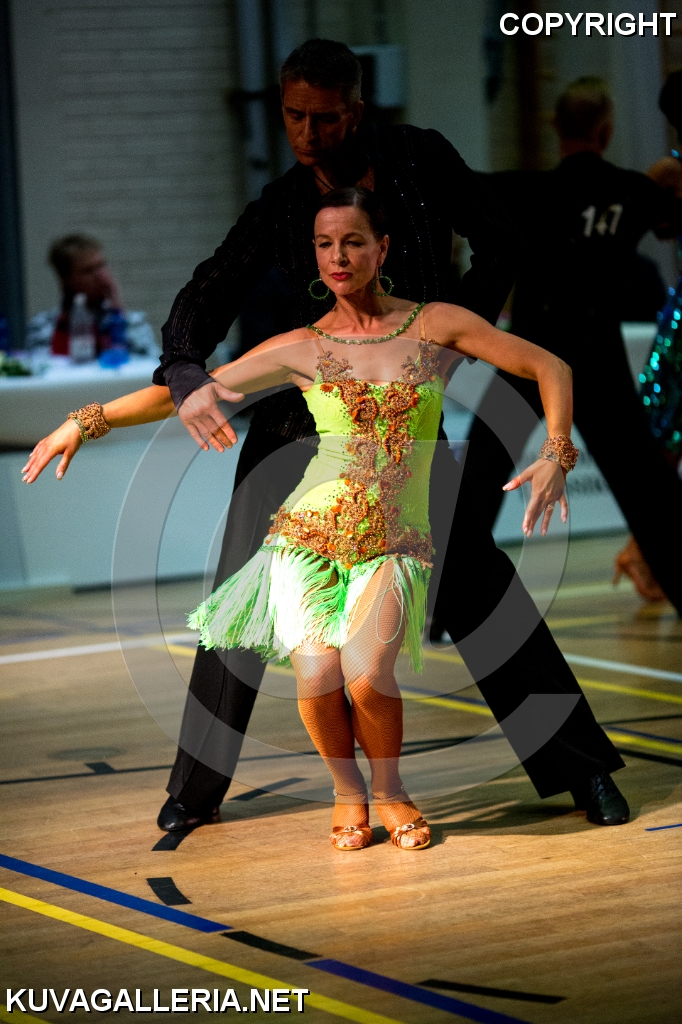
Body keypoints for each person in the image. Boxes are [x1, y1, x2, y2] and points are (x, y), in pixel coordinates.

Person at [25, 41, 630, 832]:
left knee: (479, 583)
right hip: (296, 422)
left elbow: (503, 240)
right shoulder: (280, 208)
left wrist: (453, 339)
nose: (308, 134)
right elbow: (203, 299)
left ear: (357, 110)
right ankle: (194, 792)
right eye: (293, 117)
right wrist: (170, 381)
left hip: (400, 424)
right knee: (242, 599)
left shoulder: (419, 160)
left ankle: (581, 768)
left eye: (325, 118)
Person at [446, 77, 682, 627]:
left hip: (528, 357)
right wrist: (660, 181)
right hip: (599, 364)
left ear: (555, 128)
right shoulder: (631, 191)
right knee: (651, 494)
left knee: (477, 482)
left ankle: (444, 608)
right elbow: (670, 221)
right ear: (607, 130)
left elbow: (456, 190)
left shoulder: (526, 190)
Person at [614, 70, 682, 600]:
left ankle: (644, 548)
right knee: (662, 437)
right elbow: (638, 223)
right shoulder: (670, 171)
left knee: (664, 439)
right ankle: (644, 547)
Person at [24, 234, 158, 359]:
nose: (101, 275)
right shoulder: (43, 327)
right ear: (66, 279)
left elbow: (151, 364)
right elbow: (41, 370)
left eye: (102, 265)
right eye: (88, 271)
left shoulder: (134, 322)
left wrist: (117, 313)